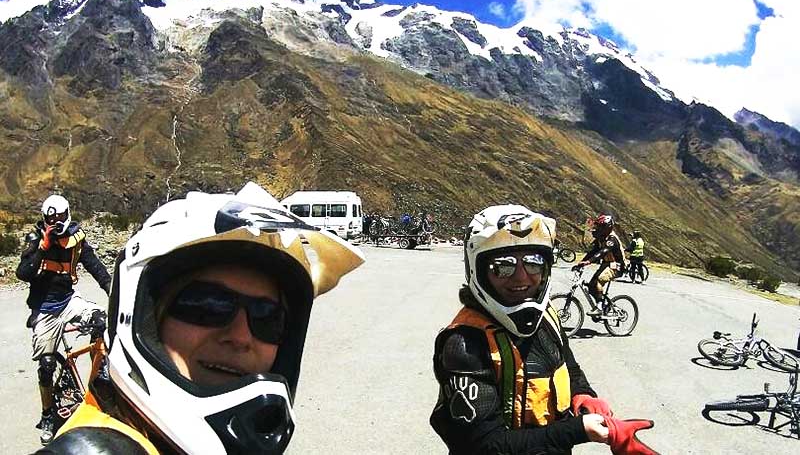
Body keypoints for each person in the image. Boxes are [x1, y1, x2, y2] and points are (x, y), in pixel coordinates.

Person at [38, 182, 365, 454]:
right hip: (50, 305)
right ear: (146, 318)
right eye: (208, 305)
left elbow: (94, 266)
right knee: (45, 357)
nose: (241, 336)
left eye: (268, 318)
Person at [430, 205, 657, 454]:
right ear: (478, 270)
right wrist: (577, 430)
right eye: (503, 265)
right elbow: (482, 445)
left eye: (533, 263)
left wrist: (583, 395)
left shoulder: (546, 314)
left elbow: (566, 363)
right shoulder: (464, 344)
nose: (521, 277)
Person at [16, 194, 111, 445]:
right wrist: (42, 248)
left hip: (69, 301)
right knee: (47, 365)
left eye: (59, 218)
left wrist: (112, 288)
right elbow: (23, 273)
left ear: (66, 215)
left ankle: (98, 388)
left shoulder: (76, 239)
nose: (55, 223)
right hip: (44, 309)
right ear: (44, 219)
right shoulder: (36, 239)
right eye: (50, 219)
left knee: (102, 322)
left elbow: (95, 266)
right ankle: (48, 414)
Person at [572, 214, 627, 316]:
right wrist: (581, 263)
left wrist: (589, 262)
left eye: (600, 227)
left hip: (617, 266)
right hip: (607, 264)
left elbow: (603, 252)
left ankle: (600, 307)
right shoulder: (601, 238)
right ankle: (602, 302)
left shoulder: (611, 239)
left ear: (607, 227)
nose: (597, 229)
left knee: (598, 281)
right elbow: (593, 252)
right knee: (591, 286)